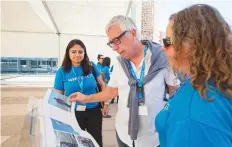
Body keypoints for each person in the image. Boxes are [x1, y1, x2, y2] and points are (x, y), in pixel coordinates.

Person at [70, 15, 179, 147]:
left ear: (133, 33)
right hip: (124, 135)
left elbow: (174, 92)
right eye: (111, 43)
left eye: (117, 40)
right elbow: (112, 91)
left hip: (154, 137)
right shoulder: (119, 63)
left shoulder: (162, 59)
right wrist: (86, 98)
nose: (114, 48)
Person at [155, 4, 232, 147]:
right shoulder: (212, 78)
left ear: (191, 45)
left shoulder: (194, 115)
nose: (162, 47)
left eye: (167, 42)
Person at [53, 39, 109, 147]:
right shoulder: (62, 71)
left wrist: (105, 103)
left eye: (80, 52)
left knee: (96, 140)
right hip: (73, 113)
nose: (77, 55)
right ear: (68, 53)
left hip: (94, 110)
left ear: (84, 53)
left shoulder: (91, 66)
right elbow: (58, 96)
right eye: (73, 52)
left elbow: (102, 84)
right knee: (76, 141)